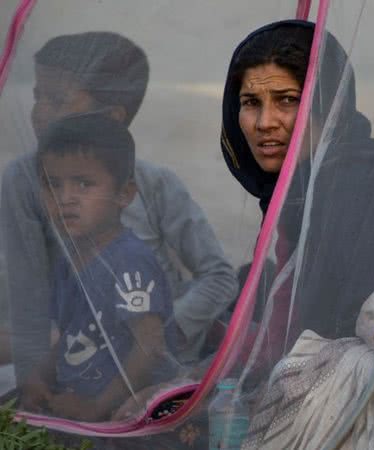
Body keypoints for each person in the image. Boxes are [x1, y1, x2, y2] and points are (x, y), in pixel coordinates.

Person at [1, 32, 238, 382]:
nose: (39, 112)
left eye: (56, 99)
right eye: (37, 96)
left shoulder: (155, 184)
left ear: (111, 117)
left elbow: (219, 277)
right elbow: (29, 305)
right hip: (73, 361)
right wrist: (35, 391)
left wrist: (163, 335)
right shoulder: (23, 181)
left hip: (155, 364)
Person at [221, 20, 374, 357]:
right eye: (251, 102)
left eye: (287, 100)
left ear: (328, 104)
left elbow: (348, 340)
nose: (265, 122)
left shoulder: (364, 189)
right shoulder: (301, 191)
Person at [22, 114, 176, 422]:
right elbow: (71, 337)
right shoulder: (70, 261)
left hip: (128, 414)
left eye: (83, 184)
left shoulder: (129, 262)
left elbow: (150, 348)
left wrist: (97, 407)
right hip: (77, 406)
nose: (65, 199)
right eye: (53, 185)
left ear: (124, 194)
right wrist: (39, 377)